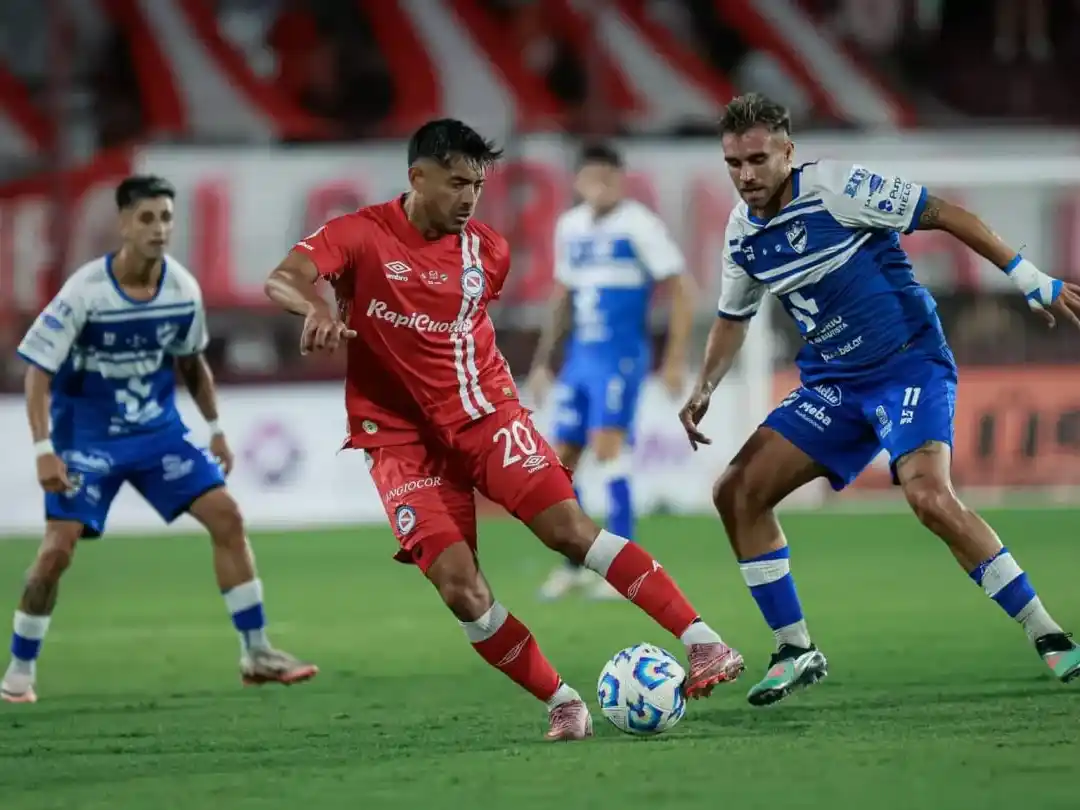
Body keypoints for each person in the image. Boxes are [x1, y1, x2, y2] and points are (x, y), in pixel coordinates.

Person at [264, 119, 743, 741]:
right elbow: (285, 277)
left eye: (478, 186)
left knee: (569, 530)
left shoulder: (486, 251)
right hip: (399, 442)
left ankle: (704, 643)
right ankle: (562, 701)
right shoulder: (358, 234)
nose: (469, 198)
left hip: (485, 416)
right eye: (457, 183)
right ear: (418, 177)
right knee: (461, 590)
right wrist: (317, 308)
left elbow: (462, 332)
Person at [679, 93, 1080, 707]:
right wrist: (704, 386)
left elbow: (944, 212)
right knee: (736, 492)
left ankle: (1047, 631)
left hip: (906, 365)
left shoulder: (838, 188)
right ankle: (795, 647)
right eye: (734, 163)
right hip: (834, 387)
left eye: (758, 159)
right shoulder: (742, 235)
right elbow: (734, 317)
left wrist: (1030, 277)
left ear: (788, 151)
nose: (746, 176)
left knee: (930, 498)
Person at [1, 175, 317, 704]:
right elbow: (37, 370)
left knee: (228, 517)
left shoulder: (181, 290)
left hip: (157, 436)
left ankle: (257, 652)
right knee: (57, 552)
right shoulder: (87, 292)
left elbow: (191, 364)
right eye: (146, 218)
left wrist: (215, 430)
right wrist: (43, 448)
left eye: (166, 218)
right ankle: (18, 672)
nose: (158, 228)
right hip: (87, 440)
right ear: (123, 224)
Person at [528, 143, 694, 601]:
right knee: (561, 463)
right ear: (578, 183)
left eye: (608, 177)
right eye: (591, 177)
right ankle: (577, 564)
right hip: (581, 357)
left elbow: (682, 288)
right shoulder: (570, 227)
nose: (600, 186)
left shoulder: (639, 225)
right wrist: (545, 360)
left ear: (621, 180)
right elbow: (562, 297)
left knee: (608, 448)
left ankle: (625, 568)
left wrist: (675, 357)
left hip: (621, 354)